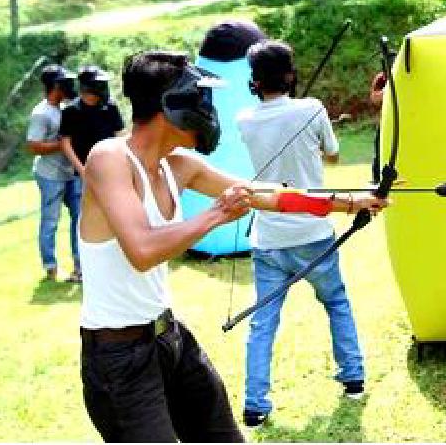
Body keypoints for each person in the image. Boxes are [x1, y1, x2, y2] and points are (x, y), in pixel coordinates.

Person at [78, 50, 386, 442]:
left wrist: (345, 202)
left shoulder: (179, 166)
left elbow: (265, 194)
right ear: (172, 104)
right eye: (199, 97)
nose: (207, 109)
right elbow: (142, 250)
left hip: (168, 337)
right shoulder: (109, 158)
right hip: (119, 359)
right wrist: (218, 215)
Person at [236, 40, 370, 428]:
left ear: (255, 81)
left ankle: (255, 404)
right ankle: (354, 378)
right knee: (336, 302)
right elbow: (334, 154)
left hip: (269, 238)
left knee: (263, 322)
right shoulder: (311, 110)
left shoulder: (245, 118)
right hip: (313, 232)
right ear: (290, 75)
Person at [25, 64, 82, 282]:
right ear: (55, 86)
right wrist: (63, 145)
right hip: (50, 175)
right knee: (50, 221)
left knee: (79, 218)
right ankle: (50, 266)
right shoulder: (41, 114)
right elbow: (33, 146)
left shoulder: (67, 108)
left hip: (70, 173)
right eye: (64, 82)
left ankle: (79, 265)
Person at [59, 65, 126, 177]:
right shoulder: (71, 111)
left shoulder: (110, 107)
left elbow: (119, 136)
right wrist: (82, 170)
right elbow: (66, 143)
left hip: (109, 167)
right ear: (86, 87)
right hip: (83, 170)